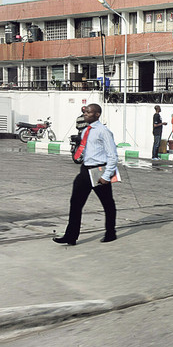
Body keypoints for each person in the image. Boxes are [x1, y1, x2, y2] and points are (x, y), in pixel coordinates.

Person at [53, 103, 118, 245]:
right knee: (75, 203)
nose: (85, 114)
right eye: (85, 112)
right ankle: (71, 236)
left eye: (89, 112)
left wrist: (106, 176)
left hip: (98, 170)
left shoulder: (103, 131)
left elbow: (113, 155)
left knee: (107, 203)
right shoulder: (85, 130)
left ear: (97, 114)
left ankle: (110, 232)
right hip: (85, 170)